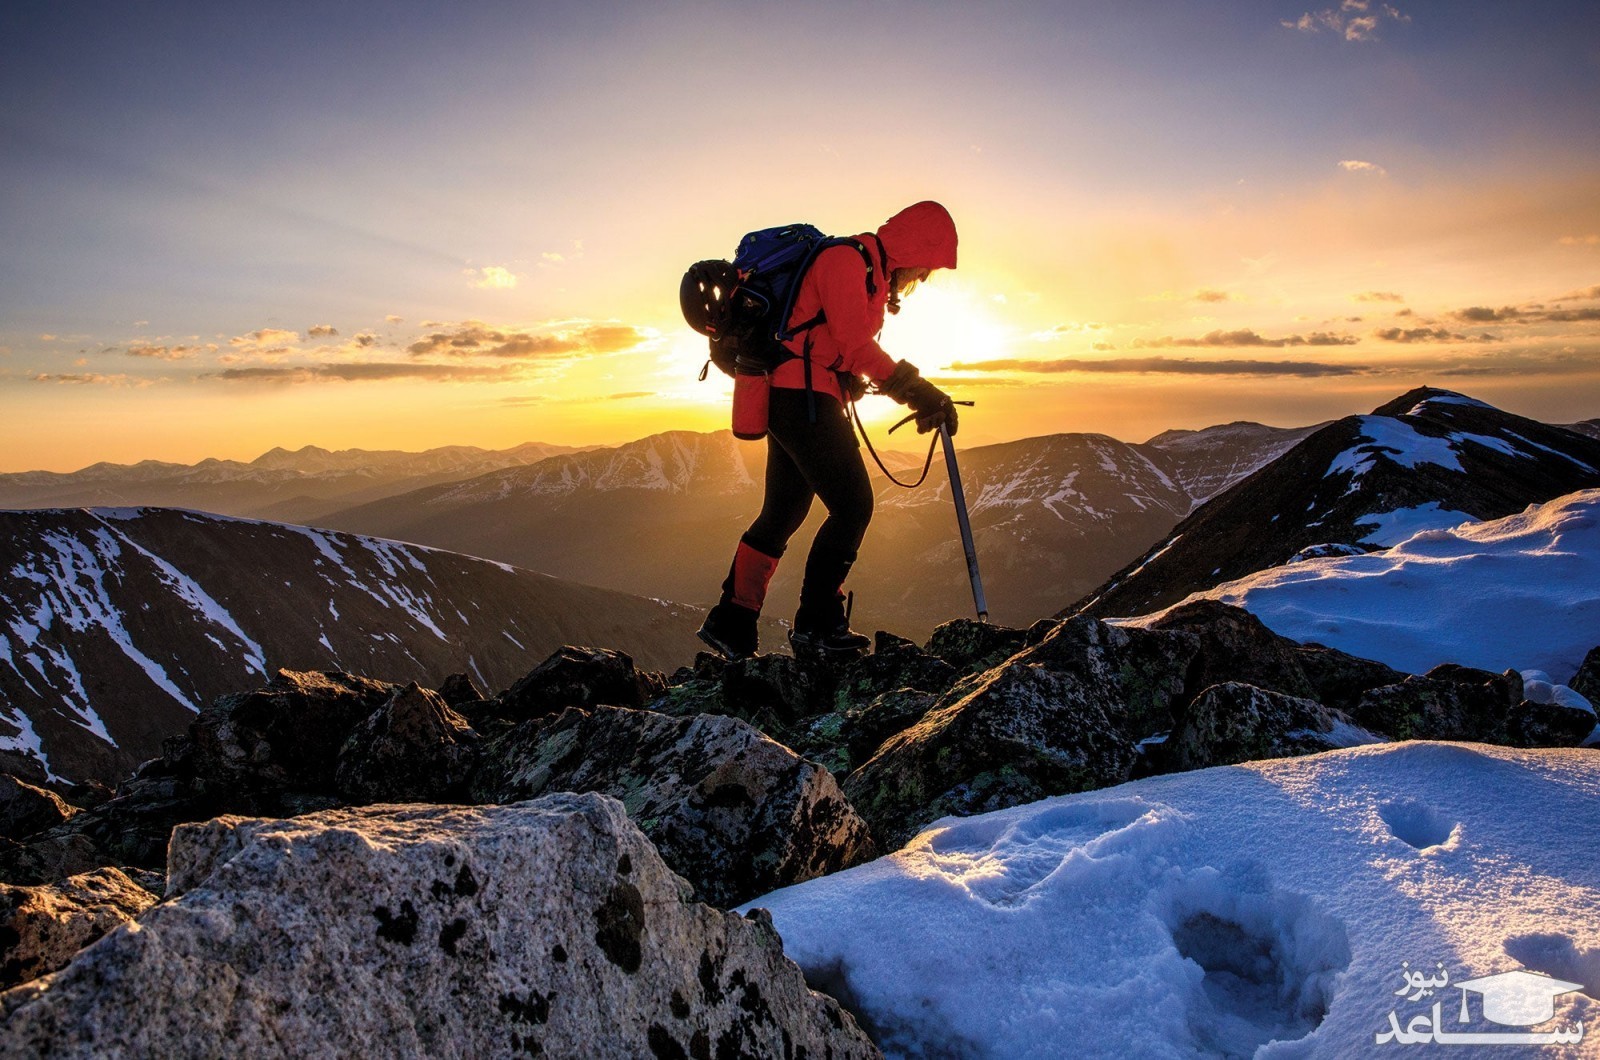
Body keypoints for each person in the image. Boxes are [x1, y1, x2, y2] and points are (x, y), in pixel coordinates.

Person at [697, 200, 960, 660]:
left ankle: (732, 623)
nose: (922, 277)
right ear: (916, 247)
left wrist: (845, 378)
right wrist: (918, 392)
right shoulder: (845, 260)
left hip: (793, 395)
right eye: (926, 266)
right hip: (800, 400)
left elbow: (828, 342)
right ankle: (817, 626)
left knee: (783, 512)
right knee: (853, 506)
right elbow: (856, 345)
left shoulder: (869, 273)